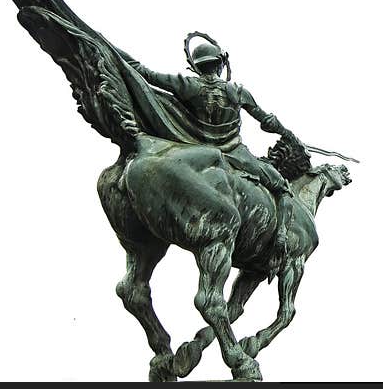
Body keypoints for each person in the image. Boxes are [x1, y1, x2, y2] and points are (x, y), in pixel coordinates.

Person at [115, 33, 299, 275]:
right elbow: (267, 120)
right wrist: (289, 135)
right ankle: (281, 237)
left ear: (198, 66)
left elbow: (145, 74)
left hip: (200, 150)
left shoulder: (189, 85)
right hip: (236, 153)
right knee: (281, 184)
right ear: (220, 64)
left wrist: (115, 51)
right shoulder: (236, 91)